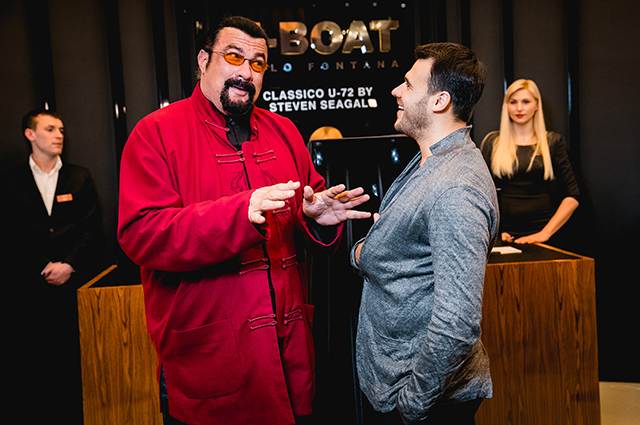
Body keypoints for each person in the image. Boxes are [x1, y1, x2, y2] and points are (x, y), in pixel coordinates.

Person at [116, 16, 371, 425]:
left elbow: (308, 207)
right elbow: (141, 234)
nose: (246, 72)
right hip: (209, 357)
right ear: (203, 60)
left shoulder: (284, 131)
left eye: (257, 63)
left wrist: (316, 219)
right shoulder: (156, 134)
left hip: (290, 355)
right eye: (234, 57)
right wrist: (239, 213)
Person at [351, 42, 499, 425]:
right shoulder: (432, 159)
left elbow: (457, 322)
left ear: (439, 101)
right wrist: (363, 251)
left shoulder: (457, 189)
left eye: (408, 84)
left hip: (424, 402)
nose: (396, 91)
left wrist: (414, 404)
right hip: (394, 382)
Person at [5, 109, 103, 424]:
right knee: (31, 370)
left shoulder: (79, 176)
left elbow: (92, 229)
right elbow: (9, 233)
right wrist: (39, 265)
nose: (59, 135)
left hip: (73, 291)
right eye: (50, 129)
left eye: (61, 129)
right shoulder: (10, 180)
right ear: (30, 134)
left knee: (73, 366)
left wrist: (69, 265)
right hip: (25, 293)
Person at [480, 79, 580, 245]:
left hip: (543, 235)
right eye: (513, 102)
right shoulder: (492, 142)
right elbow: (482, 194)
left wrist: (544, 234)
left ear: (537, 106)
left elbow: (573, 196)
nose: (519, 108)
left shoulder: (553, 142)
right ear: (506, 106)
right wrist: (496, 231)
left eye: (526, 102)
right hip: (503, 236)